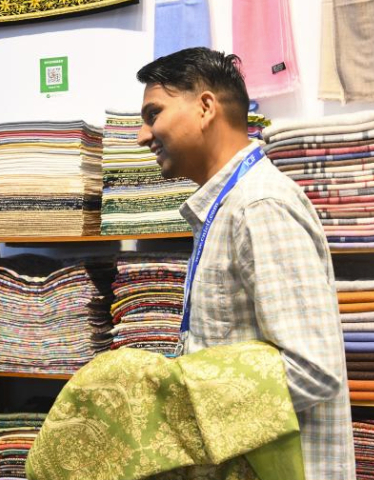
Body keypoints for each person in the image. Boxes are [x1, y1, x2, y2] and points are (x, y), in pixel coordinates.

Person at [135, 47, 355, 480]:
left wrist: (181, 404)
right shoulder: (230, 206)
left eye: (153, 114)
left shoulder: (259, 206)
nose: (143, 135)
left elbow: (313, 370)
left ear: (204, 107)